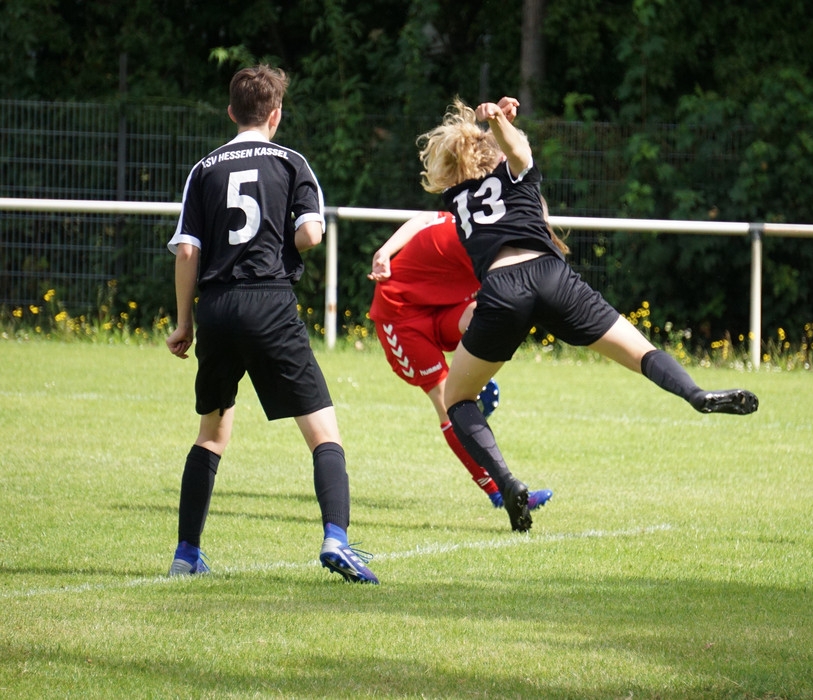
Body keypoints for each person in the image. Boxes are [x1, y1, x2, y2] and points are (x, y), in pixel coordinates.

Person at [417, 96, 759, 533]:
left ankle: (508, 484)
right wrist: (499, 120)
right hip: (550, 277)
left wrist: (492, 129)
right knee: (640, 351)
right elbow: (518, 151)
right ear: (495, 155)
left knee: (457, 399)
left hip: (502, 291)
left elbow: (494, 161)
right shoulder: (514, 172)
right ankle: (695, 394)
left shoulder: (456, 200)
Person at [164, 65, 378, 583]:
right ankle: (336, 538)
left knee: (211, 434)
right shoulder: (291, 162)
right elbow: (310, 235)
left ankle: (186, 554)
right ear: (276, 115)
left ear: (231, 112)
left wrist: (184, 322)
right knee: (323, 432)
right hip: (269, 302)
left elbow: (187, 251)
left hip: (217, 307)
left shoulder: (204, 169)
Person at [367, 210, 553, 511]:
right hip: (400, 317)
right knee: (447, 403)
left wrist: (385, 251)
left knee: (484, 314)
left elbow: (426, 219)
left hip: (438, 306)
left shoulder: (473, 219)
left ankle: (471, 394)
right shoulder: (484, 243)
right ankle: (500, 491)